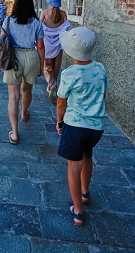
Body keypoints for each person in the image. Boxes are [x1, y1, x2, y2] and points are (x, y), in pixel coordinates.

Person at [55, 27, 109, 227]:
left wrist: (59, 121)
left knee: (73, 166)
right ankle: (85, 192)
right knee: (88, 156)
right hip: (96, 126)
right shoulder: (100, 69)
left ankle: (78, 209)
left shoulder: (69, 74)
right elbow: (103, 95)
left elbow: (61, 102)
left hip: (75, 125)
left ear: (70, 52)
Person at [0, 0, 45, 144]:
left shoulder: (9, 21)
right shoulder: (37, 23)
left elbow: (2, 43)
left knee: (13, 97)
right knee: (27, 90)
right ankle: (24, 113)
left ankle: (15, 133)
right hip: (31, 56)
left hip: (13, 58)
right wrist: (41, 65)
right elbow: (41, 47)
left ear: (16, 5)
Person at [40, 0, 71, 103]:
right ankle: (54, 83)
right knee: (56, 65)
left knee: (47, 65)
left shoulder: (45, 12)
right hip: (58, 44)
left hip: (47, 44)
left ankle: (50, 84)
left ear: (50, 3)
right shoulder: (63, 14)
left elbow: (39, 28)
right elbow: (67, 29)